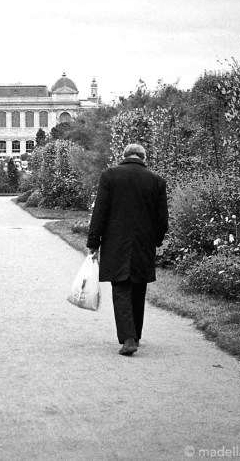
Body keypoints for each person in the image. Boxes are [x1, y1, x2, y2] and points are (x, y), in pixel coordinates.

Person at [86, 143, 168, 356]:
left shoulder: (110, 176)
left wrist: (93, 243)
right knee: (139, 287)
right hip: (143, 243)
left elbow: (100, 212)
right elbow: (162, 220)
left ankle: (128, 338)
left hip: (116, 242)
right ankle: (136, 335)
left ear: (124, 156)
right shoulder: (156, 181)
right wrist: (156, 241)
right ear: (143, 157)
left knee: (121, 287)